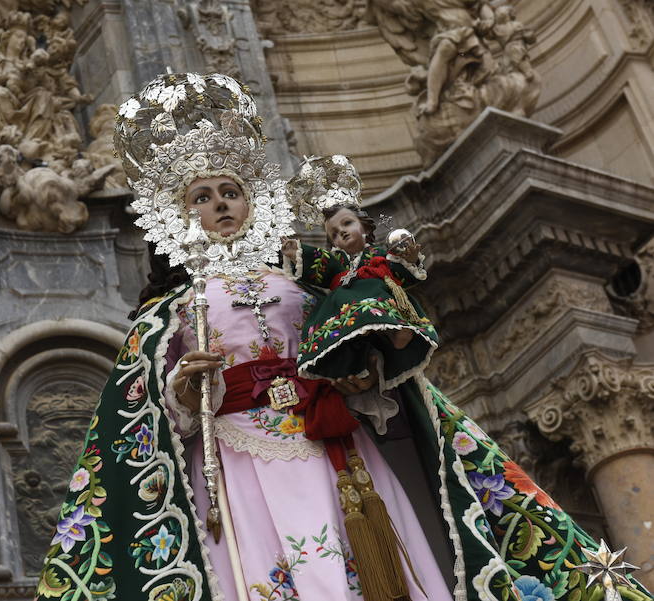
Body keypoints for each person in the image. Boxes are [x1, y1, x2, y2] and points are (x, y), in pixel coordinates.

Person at [35, 73, 651, 601]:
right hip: (236, 455)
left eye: (232, 191)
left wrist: (361, 371)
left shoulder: (302, 280)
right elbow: (142, 417)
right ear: (179, 213)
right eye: (203, 197)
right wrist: (184, 388)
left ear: (255, 201)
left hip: (330, 442)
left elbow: (356, 344)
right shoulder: (171, 309)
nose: (221, 204)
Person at [282, 156, 438, 390]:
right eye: (334, 233)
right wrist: (297, 252)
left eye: (347, 224)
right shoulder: (337, 261)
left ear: (364, 227)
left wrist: (411, 258)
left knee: (368, 308)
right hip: (348, 307)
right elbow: (320, 262)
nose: (341, 233)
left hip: (379, 297)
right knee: (353, 328)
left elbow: (401, 273)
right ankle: (360, 366)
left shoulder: (380, 256)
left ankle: (395, 333)